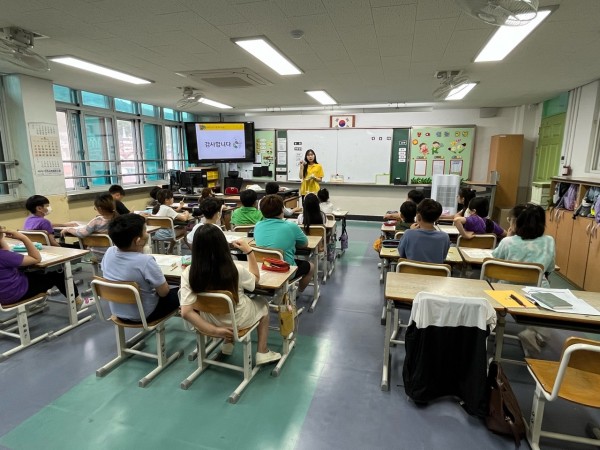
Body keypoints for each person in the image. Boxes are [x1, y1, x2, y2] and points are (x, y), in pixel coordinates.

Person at [179, 225, 281, 365]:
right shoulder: (235, 269)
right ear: (223, 246)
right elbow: (256, 279)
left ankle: (228, 343)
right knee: (262, 303)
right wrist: (249, 252)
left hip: (208, 320)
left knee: (223, 304)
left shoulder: (188, 273)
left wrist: (215, 330)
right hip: (238, 320)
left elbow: (185, 312)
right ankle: (262, 351)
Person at [491, 203, 555, 354]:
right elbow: (550, 268)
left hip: (506, 291)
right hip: (537, 291)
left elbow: (495, 260)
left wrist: (508, 237)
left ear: (516, 222)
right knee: (550, 301)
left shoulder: (508, 242)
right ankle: (535, 333)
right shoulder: (549, 241)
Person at [101, 214, 179, 322]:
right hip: (144, 314)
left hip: (118, 312)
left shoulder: (109, 252)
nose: (147, 234)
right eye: (145, 231)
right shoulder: (145, 261)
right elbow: (164, 292)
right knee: (182, 291)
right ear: (137, 241)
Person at [0, 227, 90, 308]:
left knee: (26, 269)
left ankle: (39, 302)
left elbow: (6, 250)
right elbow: (36, 258)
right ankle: (78, 302)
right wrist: (23, 238)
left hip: (3, 294)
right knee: (57, 271)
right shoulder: (4, 256)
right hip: (14, 294)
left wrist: (1, 238)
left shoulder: (4, 255)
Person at [254, 194, 314, 292]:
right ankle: (298, 292)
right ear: (282, 210)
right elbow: (304, 244)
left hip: (264, 267)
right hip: (285, 269)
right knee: (311, 266)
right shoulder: (291, 226)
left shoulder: (258, 225)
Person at [60, 193, 118, 261]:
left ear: (99, 209)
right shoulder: (119, 219)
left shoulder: (96, 221)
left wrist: (68, 229)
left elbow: (81, 233)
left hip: (96, 254)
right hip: (113, 253)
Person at [397, 199, 450, 264]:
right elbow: (443, 257)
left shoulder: (408, 234)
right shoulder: (445, 237)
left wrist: (411, 231)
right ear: (437, 218)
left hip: (411, 270)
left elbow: (401, 253)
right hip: (435, 270)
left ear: (418, 217)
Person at [152, 189, 190, 253]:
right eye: (172, 197)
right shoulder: (168, 209)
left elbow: (174, 211)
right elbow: (184, 219)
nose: (173, 199)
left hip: (157, 233)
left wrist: (180, 206)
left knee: (176, 229)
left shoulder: (161, 207)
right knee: (184, 230)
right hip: (167, 234)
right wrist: (187, 213)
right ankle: (190, 248)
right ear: (166, 200)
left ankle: (170, 250)